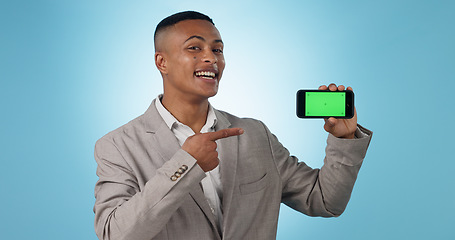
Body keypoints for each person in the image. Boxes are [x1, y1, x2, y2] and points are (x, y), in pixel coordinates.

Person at [93, 11, 372, 240]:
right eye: (195, 47)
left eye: (217, 49)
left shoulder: (255, 134)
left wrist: (344, 139)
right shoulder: (118, 146)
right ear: (161, 62)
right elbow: (114, 234)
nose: (211, 58)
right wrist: (187, 162)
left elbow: (324, 200)